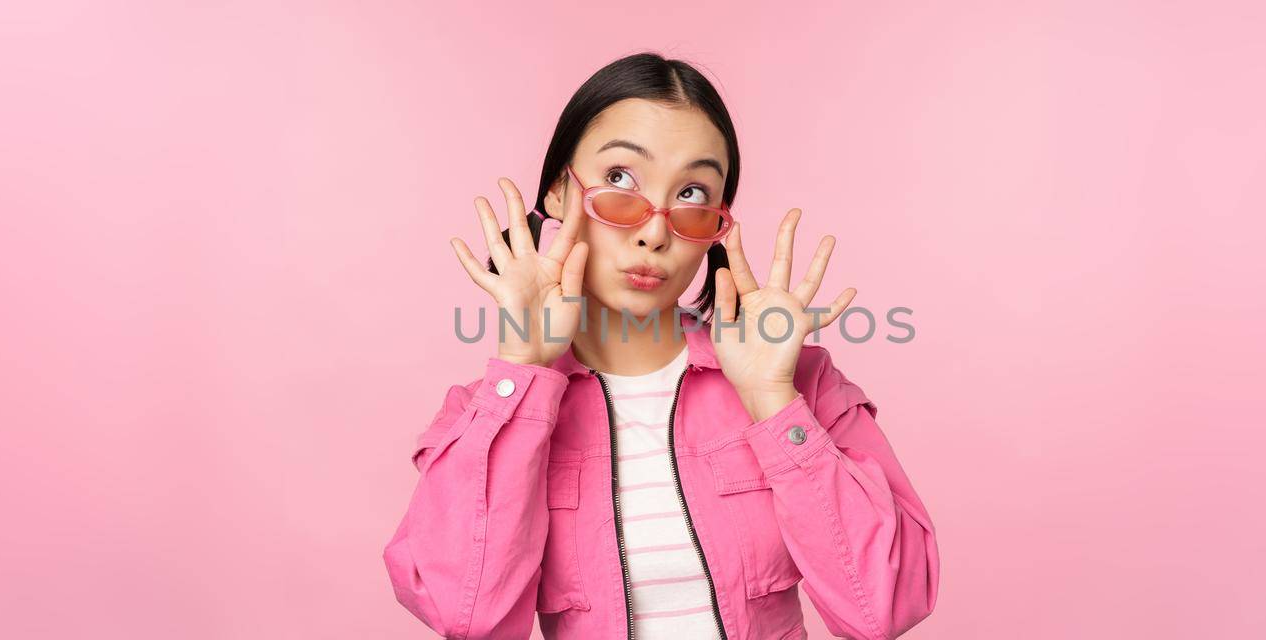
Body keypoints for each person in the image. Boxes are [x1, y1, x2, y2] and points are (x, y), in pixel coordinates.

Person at [383, 52, 939, 639]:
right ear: (557, 195)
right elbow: (466, 617)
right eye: (620, 180)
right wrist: (521, 372)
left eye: (694, 193)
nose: (654, 231)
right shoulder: (487, 411)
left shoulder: (800, 383)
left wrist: (773, 401)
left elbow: (885, 609)